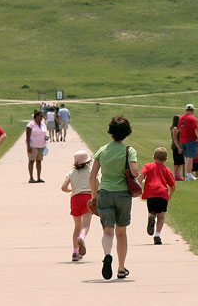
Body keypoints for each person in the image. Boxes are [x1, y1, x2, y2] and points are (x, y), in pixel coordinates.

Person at [89, 115, 138, 280]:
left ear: (111, 132)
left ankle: (107, 255)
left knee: (107, 231)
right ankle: (121, 268)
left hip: (105, 193)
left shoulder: (102, 150)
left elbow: (93, 175)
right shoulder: (128, 151)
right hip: (123, 194)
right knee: (121, 233)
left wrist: (94, 196)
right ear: (127, 132)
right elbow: (134, 172)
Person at [138, 147, 176, 245]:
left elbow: (141, 175)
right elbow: (173, 185)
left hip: (151, 192)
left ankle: (151, 218)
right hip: (162, 193)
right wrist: (169, 195)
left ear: (154, 157)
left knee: (152, 211)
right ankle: (157, 235)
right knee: (161, 216)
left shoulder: (148, 166)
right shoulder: (167, 170)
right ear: (166, 159)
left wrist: (138, 186)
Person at [62, 150, 94, 261]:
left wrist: (72, 189)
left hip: (75, 199)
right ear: (87, 162)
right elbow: (97, 184)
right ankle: (82, 237)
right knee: (86, 226)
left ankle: (75, 252)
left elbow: (63, 187)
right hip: (87, 198)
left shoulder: (71, 173)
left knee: (77, 226)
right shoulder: (91, 172)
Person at [178, 104, 198, 181]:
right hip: (191, 140)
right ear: (193, 110)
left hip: (182, 140)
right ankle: (189, 175)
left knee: (187, 158)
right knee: (190, 158)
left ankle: (188, 174)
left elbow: (180, 129)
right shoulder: (193, 119)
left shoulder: (181, 118)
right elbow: (196, 130)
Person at [25, 110, 48, 183]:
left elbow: (44, 133)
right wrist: (28, 146)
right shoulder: (30, 125)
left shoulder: (43, 124)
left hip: (41, 145)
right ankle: (31, 177)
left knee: (39, 161)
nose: (41, 117)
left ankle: (39, 177)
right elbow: (27, 136)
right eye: (40, 116)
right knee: (31, 161)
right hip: (33, 145)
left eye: (42, 116)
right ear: (36, 116)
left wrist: (46, 138)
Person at [169, 115, 185, 181]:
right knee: (177, 162)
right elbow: (175, 139)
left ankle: (177, 174)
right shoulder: (175, 128)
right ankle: (176, 175)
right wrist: (179, 147)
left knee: (180, 161)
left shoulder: (177, 128)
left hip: (178, 146)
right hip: (176, 146)